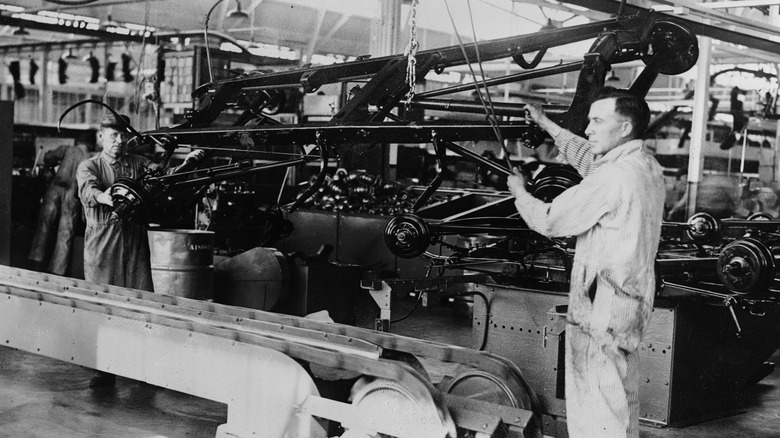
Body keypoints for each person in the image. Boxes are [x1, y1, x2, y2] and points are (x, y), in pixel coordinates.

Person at [507, 88, 665, 438]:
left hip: (601, 307)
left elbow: (550, 219)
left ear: (624, 128)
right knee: (618, 397)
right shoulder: (646, 167)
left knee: (595, 406)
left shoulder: (612, 178)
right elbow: (590, 161)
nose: (589, 128)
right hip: (629, 302)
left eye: (597, 121)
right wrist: (547, 124)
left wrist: (520, 192)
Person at [76, 112, 154, 388]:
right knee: (103, 304)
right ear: (101, 137)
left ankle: (140, 365)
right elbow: (87, 190)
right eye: (113, 136)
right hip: (103, 244)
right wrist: (102, 196)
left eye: (123, 135)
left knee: (140, 301)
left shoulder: (138, 164)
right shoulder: (90, 166)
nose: (119, 141)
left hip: (134, 242)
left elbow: (159, 177)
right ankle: (104, 369)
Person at [28, 131, 96, 275]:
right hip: (73, 194)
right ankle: (57, 270)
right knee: (65, 232)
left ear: (77, 140)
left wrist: (49, 168)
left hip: (56, 188)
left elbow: (48, 157)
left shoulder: (67, 149)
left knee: (43, 226)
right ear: (90, 144)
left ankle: (35, 261)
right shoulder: (90, 159)